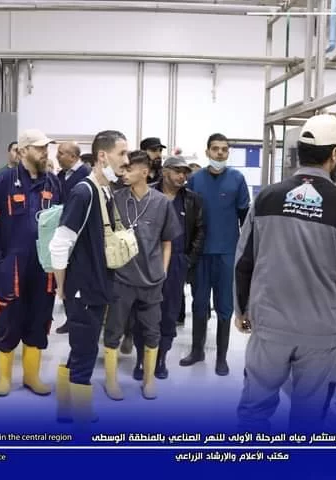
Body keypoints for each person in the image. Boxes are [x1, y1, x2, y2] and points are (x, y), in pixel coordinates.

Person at [233, 114, 336, 432]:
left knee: (254, 410)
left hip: (270, 324)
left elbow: (243, 261)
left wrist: (241, 311)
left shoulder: (266, 198)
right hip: (320, 331)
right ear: (335, 154)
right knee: (309, 417)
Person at [49, 130, 130, 422]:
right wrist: (62, 289)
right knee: (84, 355)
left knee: (80, 350)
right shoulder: (84, 192)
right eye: (122, 153)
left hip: (96, 285)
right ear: (102, 156)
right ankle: (81, 416)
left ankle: (64, 411)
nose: (126, 160)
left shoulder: (104, 191)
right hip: (82, 289)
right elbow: (59, 243)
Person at [0, 129, 62, 398]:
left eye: (46, 148)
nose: (45, 153)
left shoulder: (53, 183)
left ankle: (31, 376)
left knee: (39, 319)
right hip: (12, 266)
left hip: (44, 267)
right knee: (9, 319)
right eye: (39, 148)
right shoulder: (3, 181)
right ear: (24, 150)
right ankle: (4, 378)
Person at [102, 150, 181, 401]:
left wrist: (163, 271)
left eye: (129, 169)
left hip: (151, 280)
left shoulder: (162, 203)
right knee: (113, 331)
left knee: (152, 331)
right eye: (123, 168)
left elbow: (167, 241)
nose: (124, 173)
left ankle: (149, 381)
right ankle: (111, 381)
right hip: (121, 278)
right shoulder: (115, 199)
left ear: (144, 172)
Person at [180, 133, 250, 376]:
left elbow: (245, 218)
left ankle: (221, 357)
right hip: (200, 253)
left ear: (228, 153)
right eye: (215, 149)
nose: (220, 153)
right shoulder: (195, 180)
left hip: (227, 253)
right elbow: (187, 218)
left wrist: (246, 253)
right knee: (199, 303)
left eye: (224, 149)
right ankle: (197, 350)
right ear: (207, 151)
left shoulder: (237, 179)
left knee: (225, 306)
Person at [132, 155, 204, 380]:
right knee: (142, 310)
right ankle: (141, 359)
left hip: (176, 262)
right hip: (146, 261)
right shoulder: (146, 193)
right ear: (165, 171)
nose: (182, 176)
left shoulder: (191, 200)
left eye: (185, 172)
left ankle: (161, 358)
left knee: (169, 313)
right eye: (177, 171)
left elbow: (200, 230)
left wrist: (188, 260)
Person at [54, 141, 92, 335]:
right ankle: (71, 319)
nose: (57, 156)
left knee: (79, 280)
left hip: (80, 234)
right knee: (66, 277)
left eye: (61, 153)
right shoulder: (60, 176)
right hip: (63, 231)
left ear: (73, 156)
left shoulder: (86, 175)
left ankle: (82, 320)